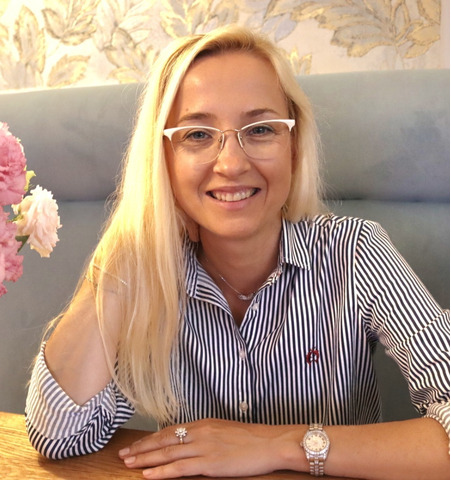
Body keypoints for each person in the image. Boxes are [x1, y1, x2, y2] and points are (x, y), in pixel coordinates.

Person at [26, 25, 449, 479]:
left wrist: (277, 446)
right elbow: (60, 436)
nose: (231, 163)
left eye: (261, 129)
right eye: (197, 135)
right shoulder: (149, 275)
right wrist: (124, 252)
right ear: (162, 158)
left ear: (294, 146)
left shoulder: (355, 251)